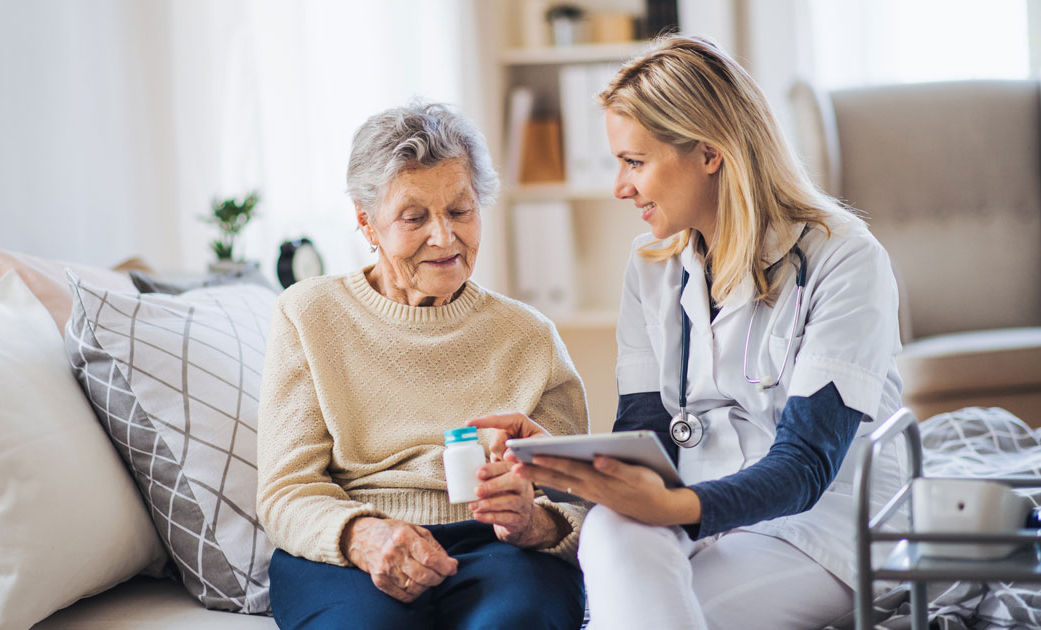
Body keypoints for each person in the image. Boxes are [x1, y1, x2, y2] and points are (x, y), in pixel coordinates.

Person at [470, 35, 905, 629]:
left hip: (819, 526)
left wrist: (675, 505)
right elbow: (647, 438)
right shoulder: (651, 266)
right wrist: (561, 462)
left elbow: (804, 466)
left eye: (634, 162)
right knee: (614, 529)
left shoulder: (844, 260)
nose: (620, 187)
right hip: (694, 514)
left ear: (709, 152)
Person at [255, 101, 589, 630]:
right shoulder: (309, 314)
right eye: (414, 218)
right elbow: (286, 490)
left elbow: (576, 499)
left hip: (497, 545)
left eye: (460, 211)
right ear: (367, 223)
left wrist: (536, 523)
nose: (444, 237)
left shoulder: (529, 337)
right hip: (354, 544)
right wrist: (362, 536)